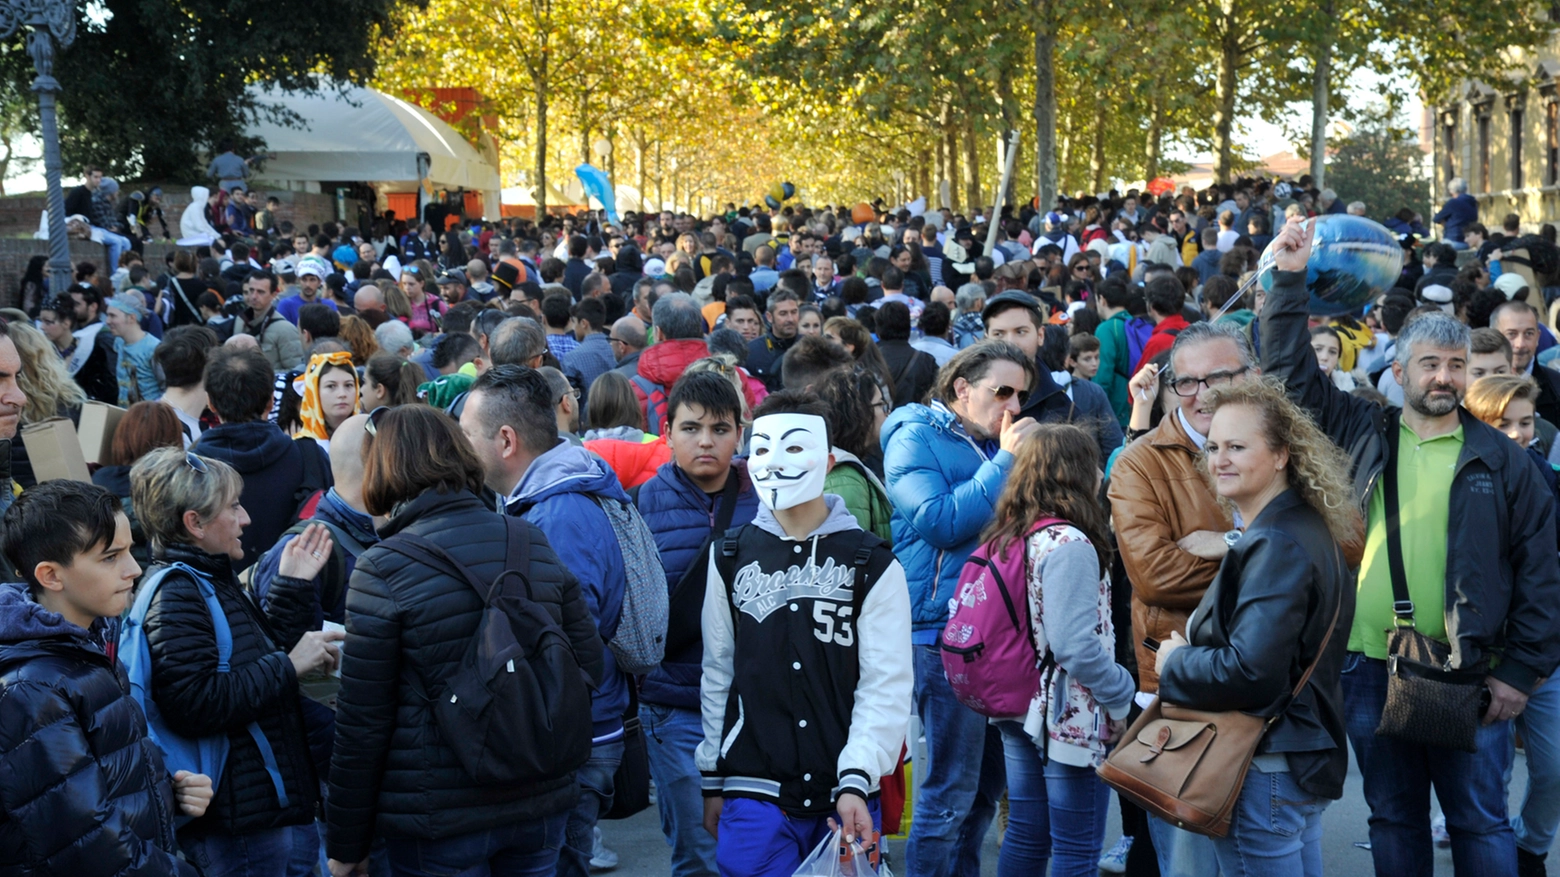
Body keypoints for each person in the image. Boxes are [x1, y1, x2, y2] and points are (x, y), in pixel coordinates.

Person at [1261, 215, 1560, 876]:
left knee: (1480, 820)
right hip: (1371, 668)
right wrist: (1286, 277)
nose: (1445, 376)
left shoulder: (1505, 463)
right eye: (1430, 363)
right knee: (1392, 816)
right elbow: (1285, 376)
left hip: (1471, 669)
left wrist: (1519, 673)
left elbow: (1542, 573)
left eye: (1456, 364)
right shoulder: (1361, 429)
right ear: (1399, 369)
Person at [324, 404, 606, 877]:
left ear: (383, 469)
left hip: (437, 817)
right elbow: (588, 662)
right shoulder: (527, 538)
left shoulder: (382, 567)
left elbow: (362, 722)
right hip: (539, 798)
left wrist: (347, 844)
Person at [698, 391, 911, 877]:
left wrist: (858, 776)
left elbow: (887, 683)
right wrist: (713, 778)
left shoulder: (872, 563)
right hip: (754, 786)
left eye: (794, 448)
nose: (775, 463)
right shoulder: (728, 555)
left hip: (847, 790)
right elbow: (718, 671)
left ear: (829, 461)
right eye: (763, 449)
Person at [1151, 379, 1359, 875]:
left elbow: (1251, 671)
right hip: (1290, 758)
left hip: (1264, 762)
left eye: (1238, 447)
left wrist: (1176, 662)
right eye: (1215, 446)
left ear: (1283, 455)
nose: (1219, 459)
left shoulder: (1277, 541)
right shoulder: (1301, 525)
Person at [128, 447, 342, 876]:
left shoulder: (210, 579)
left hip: (269, 817)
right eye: (233, 506)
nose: (245, 518)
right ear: (195, 523)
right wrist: (289, 665)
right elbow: (195, 701)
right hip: (240, 834)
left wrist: (292, 586)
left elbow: (253, 656)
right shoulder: (178, 594)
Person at [458, 364, 635, 877]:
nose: (460, 445)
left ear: (506, 440)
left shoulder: (555, 515)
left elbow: (564, 636)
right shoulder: (544, 499)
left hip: (576, 737)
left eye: (468, 434)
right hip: (580, 729)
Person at [1106, 318, 1263, 875]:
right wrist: (1274, 564)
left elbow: (1339, 545)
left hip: (1275, 686)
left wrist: (1234, 543)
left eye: (1220, 377)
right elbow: (1155, 576)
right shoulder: (1140, 463)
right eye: (1187, 381)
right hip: (1181, 688)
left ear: (1254, 375)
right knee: (1187, 862)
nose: (1203, 394)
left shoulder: (1285, 444)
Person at [0, 481, 215, 877]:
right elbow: (89, 846)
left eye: (130, 550)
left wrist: (168, 789)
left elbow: (101, 775)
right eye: (110, 557)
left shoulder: (87, 647)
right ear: (50, 575)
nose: (134, 568)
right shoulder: (32, 689)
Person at [884, 341, 1038, 877]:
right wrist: (1008, 460)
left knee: (985, 787)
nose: (1013, 406)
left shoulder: (987, 443)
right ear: (961, 389)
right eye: (1003, 392)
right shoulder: (913, 437)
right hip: (940, 634)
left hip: (998, 634)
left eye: (1021, 394)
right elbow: (940, 521)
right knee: (950, 786)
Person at [981, 423, 1135, 877]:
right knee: (1076, 849)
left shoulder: (1008, 536)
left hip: (1017, 701)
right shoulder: (1070, 544)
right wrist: (1121, 690)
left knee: (1028, 834)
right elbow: (1075, 646)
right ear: (1079, 473)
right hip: (1070, 715)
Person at [634, 371, 759, 877]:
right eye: (690, 428)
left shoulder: (769, 500)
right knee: (699, 855)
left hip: (758, 705)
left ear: (740, 433)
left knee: (762, 848)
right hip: (675, 708)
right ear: (666, 433)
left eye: (720, 428)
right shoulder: (637, 506)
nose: (705, 441)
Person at [193, 346, 333, 569]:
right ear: (271, 401)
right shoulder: (310, 457)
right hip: (296, 591)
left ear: (211, 404)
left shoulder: (186, 469)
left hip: (213, 598)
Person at [982, 291, 1123, 461]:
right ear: (986, 338)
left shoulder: (1064, 408)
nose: (1010, 342)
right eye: (999, 334)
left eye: (1020, 332)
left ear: (1040, 336)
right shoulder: (968, 403)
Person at [815, 368, 893, 540]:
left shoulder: (843, 465)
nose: (887, 413)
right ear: (859, 412)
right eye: (880, 405)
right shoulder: (845, 479)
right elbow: (850, 552)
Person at [239, 271, 305, 371]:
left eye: (260, 292)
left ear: (274, 295)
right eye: (251, 290)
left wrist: (262, 376)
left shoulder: (285, 330)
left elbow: (295, 372)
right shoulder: (239, 321)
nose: (253, 296)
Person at [105, 292, 162, 405]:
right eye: (107, 315)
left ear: (131, 318)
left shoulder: (154, 348)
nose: (107, 321)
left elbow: (167, 387)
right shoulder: (118, 343)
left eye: (113, 316)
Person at [744, 287, 801, 391]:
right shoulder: (751, 351)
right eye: (783, 314)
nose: (790, 319)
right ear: (769, 317)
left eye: (794, 312)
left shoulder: (812, 347)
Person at [294, 351, 360, 442]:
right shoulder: (299, 448)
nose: (342, 394)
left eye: (348, 385)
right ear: (314, 392)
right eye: (331, 386)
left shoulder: (371, 440)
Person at [1433, 178, 1479, 248]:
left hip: (1452, 239)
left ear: (1451, 191)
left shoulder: (1453, 202)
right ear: (1465, 189)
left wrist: (1445, 222)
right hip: (1467, 241)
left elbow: (1436, 218)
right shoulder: (1473, 202)